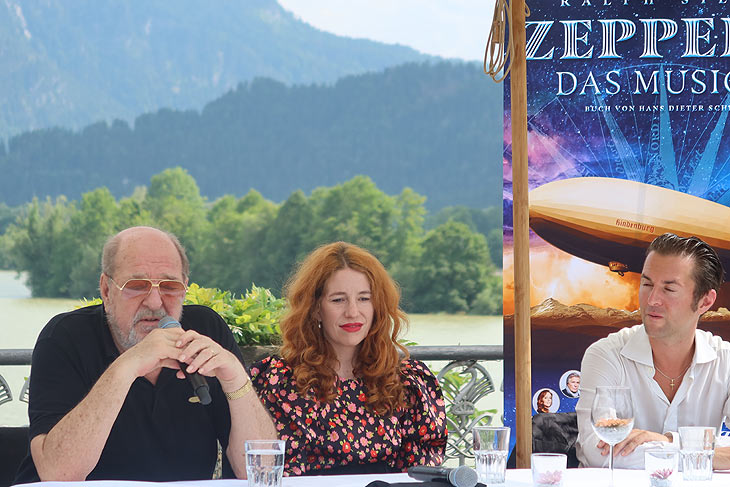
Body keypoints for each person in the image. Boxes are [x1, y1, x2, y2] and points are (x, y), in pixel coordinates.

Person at [15, 226, 276, 483]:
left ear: (185, 287)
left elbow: (260, 468)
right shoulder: (65, 337)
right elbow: (59, 474)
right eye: (137, 285)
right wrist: (128, 366)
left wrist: (236, 380)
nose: (154, 302)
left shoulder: (206, 330)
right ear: (106, 290)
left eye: (170, 286)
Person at [250, 241, 447, 476]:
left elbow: (421, 473)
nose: (353, 312)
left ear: (378, 306)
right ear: (314, 309)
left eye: (364, 298)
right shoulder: (279, 382)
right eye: (338, 300)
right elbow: (273, 471)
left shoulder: (407, 381)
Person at [576, 233, 730, 469]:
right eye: (647, 284)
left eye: (669, 289)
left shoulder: (725, 361)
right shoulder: (606, 355)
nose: (652, 300)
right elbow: (599, 451)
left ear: (705, 302)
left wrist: (667, 440)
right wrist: (701, 453)